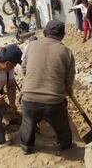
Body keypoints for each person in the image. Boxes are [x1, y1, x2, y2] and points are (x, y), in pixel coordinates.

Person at [20, 20, 75, 154]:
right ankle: (65, 144)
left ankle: (27, 146)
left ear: (44, 33)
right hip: (53, 102)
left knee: (27, 121)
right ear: (63, 35)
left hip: (29, 99)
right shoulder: (66, 52)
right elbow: (68, 81)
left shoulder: (31, 46)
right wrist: (68, 92)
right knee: (62, 124)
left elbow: (24, 69)